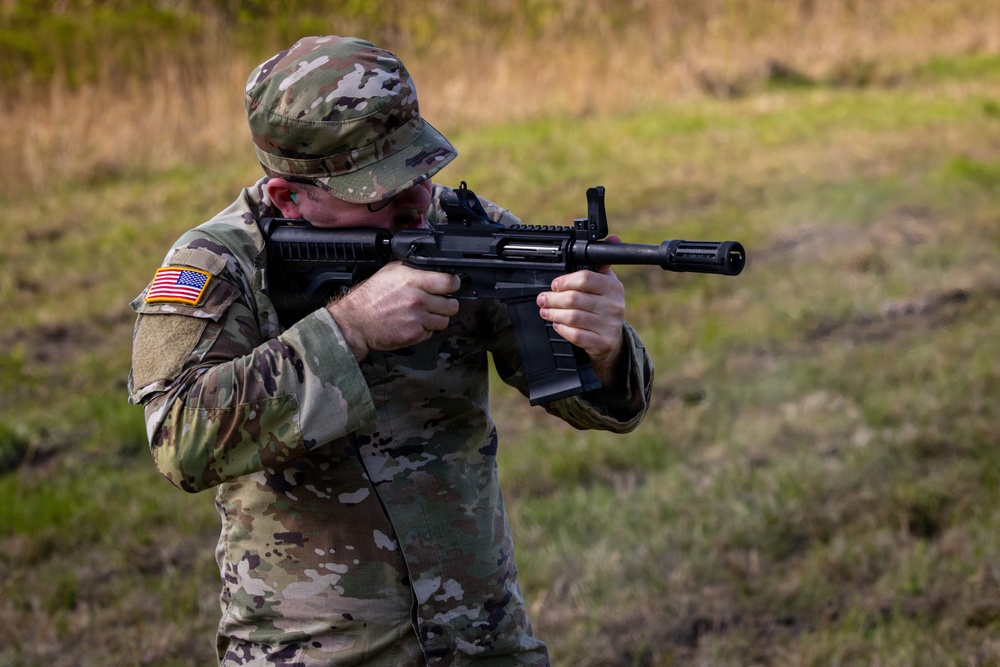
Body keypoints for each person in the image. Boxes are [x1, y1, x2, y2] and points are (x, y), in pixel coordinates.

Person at [128, 35, 653, 666]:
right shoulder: (220, 265)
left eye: (420, 174)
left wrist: (603, 349)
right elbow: (180, 439)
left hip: (481, 642)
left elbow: (599, 406)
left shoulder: (464, 231)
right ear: (287, 197)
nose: (417, 206)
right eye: (378, 195)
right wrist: (347, 328)